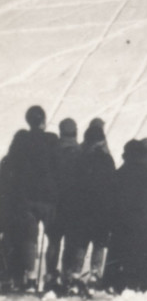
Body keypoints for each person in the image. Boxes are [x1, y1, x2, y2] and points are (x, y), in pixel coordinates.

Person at [103, 139, 147, 293]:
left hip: (122, 226)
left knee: (119, 250)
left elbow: (110, 202)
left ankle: (116, 282)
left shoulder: (118, 174)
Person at [1, 106, 59, 290]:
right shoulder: (51, 140)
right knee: (53, 237)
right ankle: (50, 276)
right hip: (49, 198)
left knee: (28, 237)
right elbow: (59, 166)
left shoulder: (20, 140)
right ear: (43, 121)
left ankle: (29, 276)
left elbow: (9, 164)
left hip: (25, 198)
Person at [58, 119, 113, 279]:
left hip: (82, 209)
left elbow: (73, 184)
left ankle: (74, 273)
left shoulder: (79, 158)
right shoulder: (106, 159)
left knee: (80, 243)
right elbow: (112, 184)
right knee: (99, 243)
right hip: (101, 209)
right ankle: (95, 273)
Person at [42, 118, 78, 281]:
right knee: (70, 242)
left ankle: (50, 273)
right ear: (75, 132)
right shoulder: (80, 152)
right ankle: (67, 274)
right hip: (73, 205)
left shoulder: (52, 152)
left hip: (54, 204)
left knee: (53, 241)